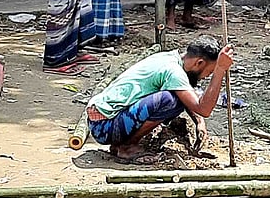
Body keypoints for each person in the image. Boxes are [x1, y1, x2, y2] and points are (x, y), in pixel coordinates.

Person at [86, 36, 234, 163]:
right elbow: (204, 109)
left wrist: (199, 122)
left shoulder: (170, 58)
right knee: (169, 101)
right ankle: (126, 147)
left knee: (175, 98)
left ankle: (120, 144)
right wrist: (219, 71)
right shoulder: (174, 72)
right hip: (104, 127)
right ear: (199, 63)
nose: (207, 76)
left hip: (101, 122)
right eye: (209, 72)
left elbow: (187, 95)